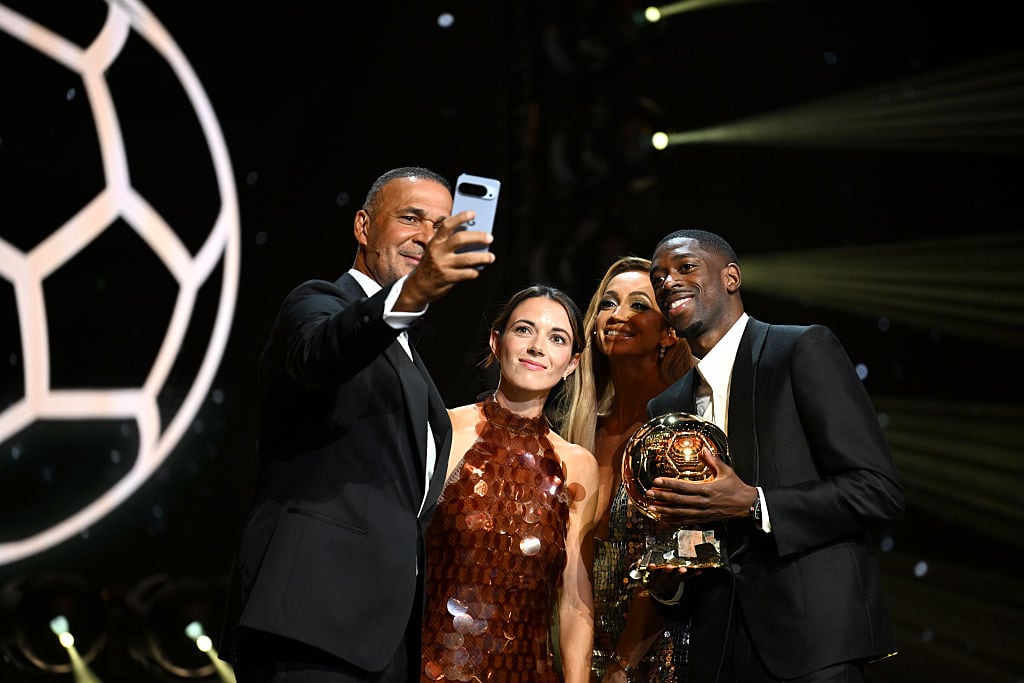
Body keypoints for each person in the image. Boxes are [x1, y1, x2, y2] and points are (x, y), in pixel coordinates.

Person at [221, 166, 496, 683]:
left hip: (382, 640)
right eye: (410, 218)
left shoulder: (412, 359)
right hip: (312, 620)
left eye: (441, 227)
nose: (426, 238)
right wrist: (411, 294)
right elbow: (324, 354)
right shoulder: (318, 303)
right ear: (363, 227)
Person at [642, 229, 905, 682]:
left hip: (813, 645)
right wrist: (671, 584)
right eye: (658, 277)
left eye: (685, 267)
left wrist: (754, 503)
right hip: (718, 651)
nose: (668, 282)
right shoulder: (666, 408)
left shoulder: (799, 349)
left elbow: (877, 491)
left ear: (731, 277)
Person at [419, 285, 600, 683]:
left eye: (557, 339)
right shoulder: (446, 430)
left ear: (571, 363)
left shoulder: (578, 466)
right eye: (524, 330)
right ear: (495, 341)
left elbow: (573, 603)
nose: (538, 347)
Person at [560, 256, 694, 682]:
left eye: (639, 305)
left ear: (669, 332)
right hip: (574, 660)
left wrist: (621, 667)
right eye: (607, 303)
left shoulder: (681, 435)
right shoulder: (575, 433)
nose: (616, 315)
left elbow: (677, 559)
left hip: (654, 663)